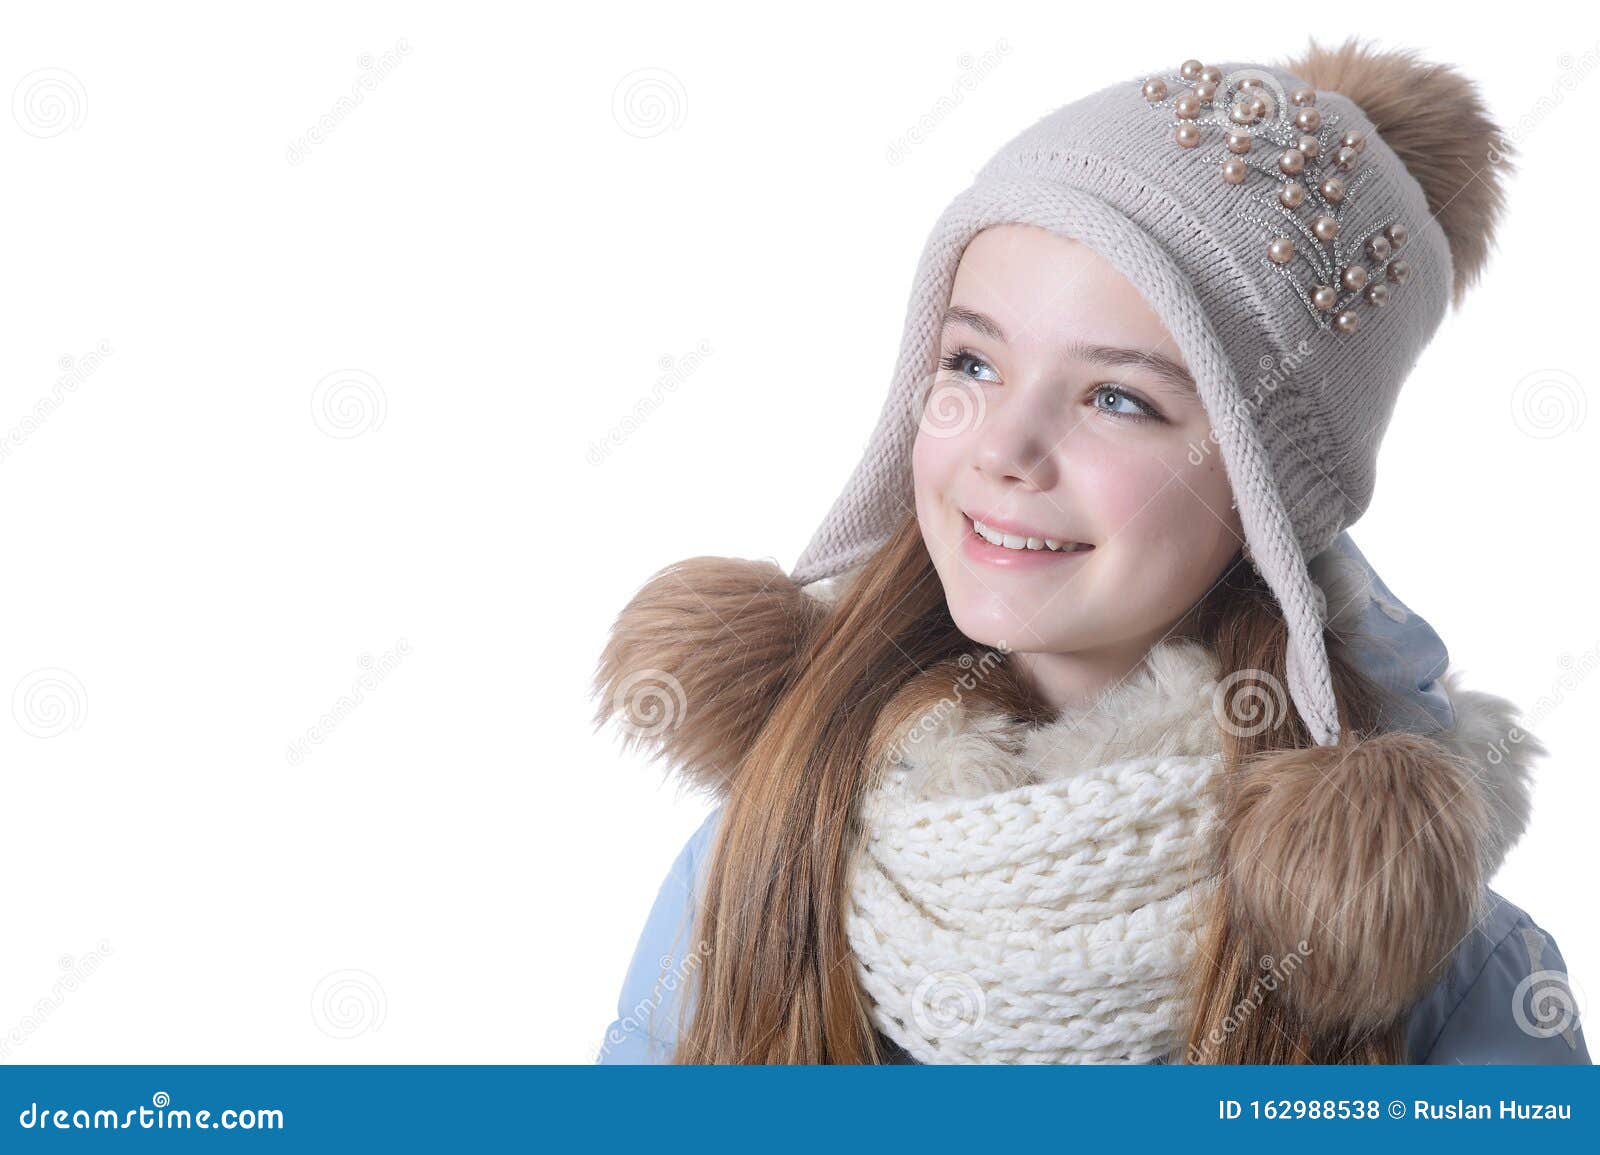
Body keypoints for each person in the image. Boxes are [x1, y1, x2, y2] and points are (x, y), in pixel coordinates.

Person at [591, 37, 1589, 1065]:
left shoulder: (1444, 974)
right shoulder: (756, 854)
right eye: (971, 360)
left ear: (1264, 494)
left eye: (1118, 398)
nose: (1003, 449)